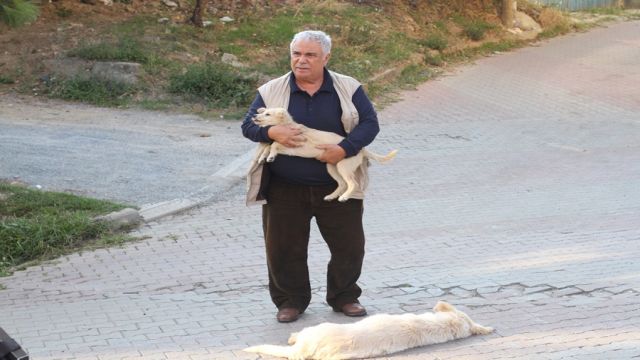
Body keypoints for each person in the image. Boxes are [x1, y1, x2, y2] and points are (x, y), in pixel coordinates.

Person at [241, 30, 380, 323]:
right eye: (296, 54)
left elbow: (369, 124)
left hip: (335, 185)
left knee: (350, 246)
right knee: (283, 248)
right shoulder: (272, 90)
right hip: (284, 188)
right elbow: (248, 126)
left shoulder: (348, 88)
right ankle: (290, 301)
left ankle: (344, 296)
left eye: (310, 55)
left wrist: (345, 149)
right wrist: (271, 132)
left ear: (326, 58)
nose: (301, 61)